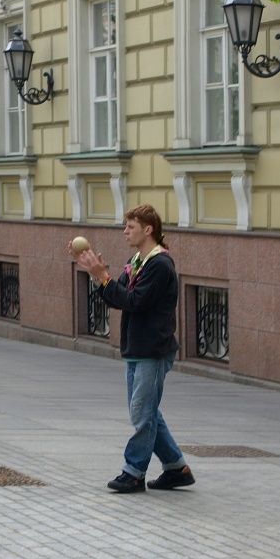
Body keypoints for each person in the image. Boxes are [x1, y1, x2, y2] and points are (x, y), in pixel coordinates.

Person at [70, 204, 195, 494]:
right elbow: (120, 298)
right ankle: (177, 468)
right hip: (138, 348)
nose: (125, 231)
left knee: (142, 412)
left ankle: (134, 471)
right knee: (146, 411)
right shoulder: (137, 260)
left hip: (153, 348)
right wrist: (97, 275)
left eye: (131, 226)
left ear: (148, 229)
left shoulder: (160, 264)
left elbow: (135, 301)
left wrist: (103, 277)